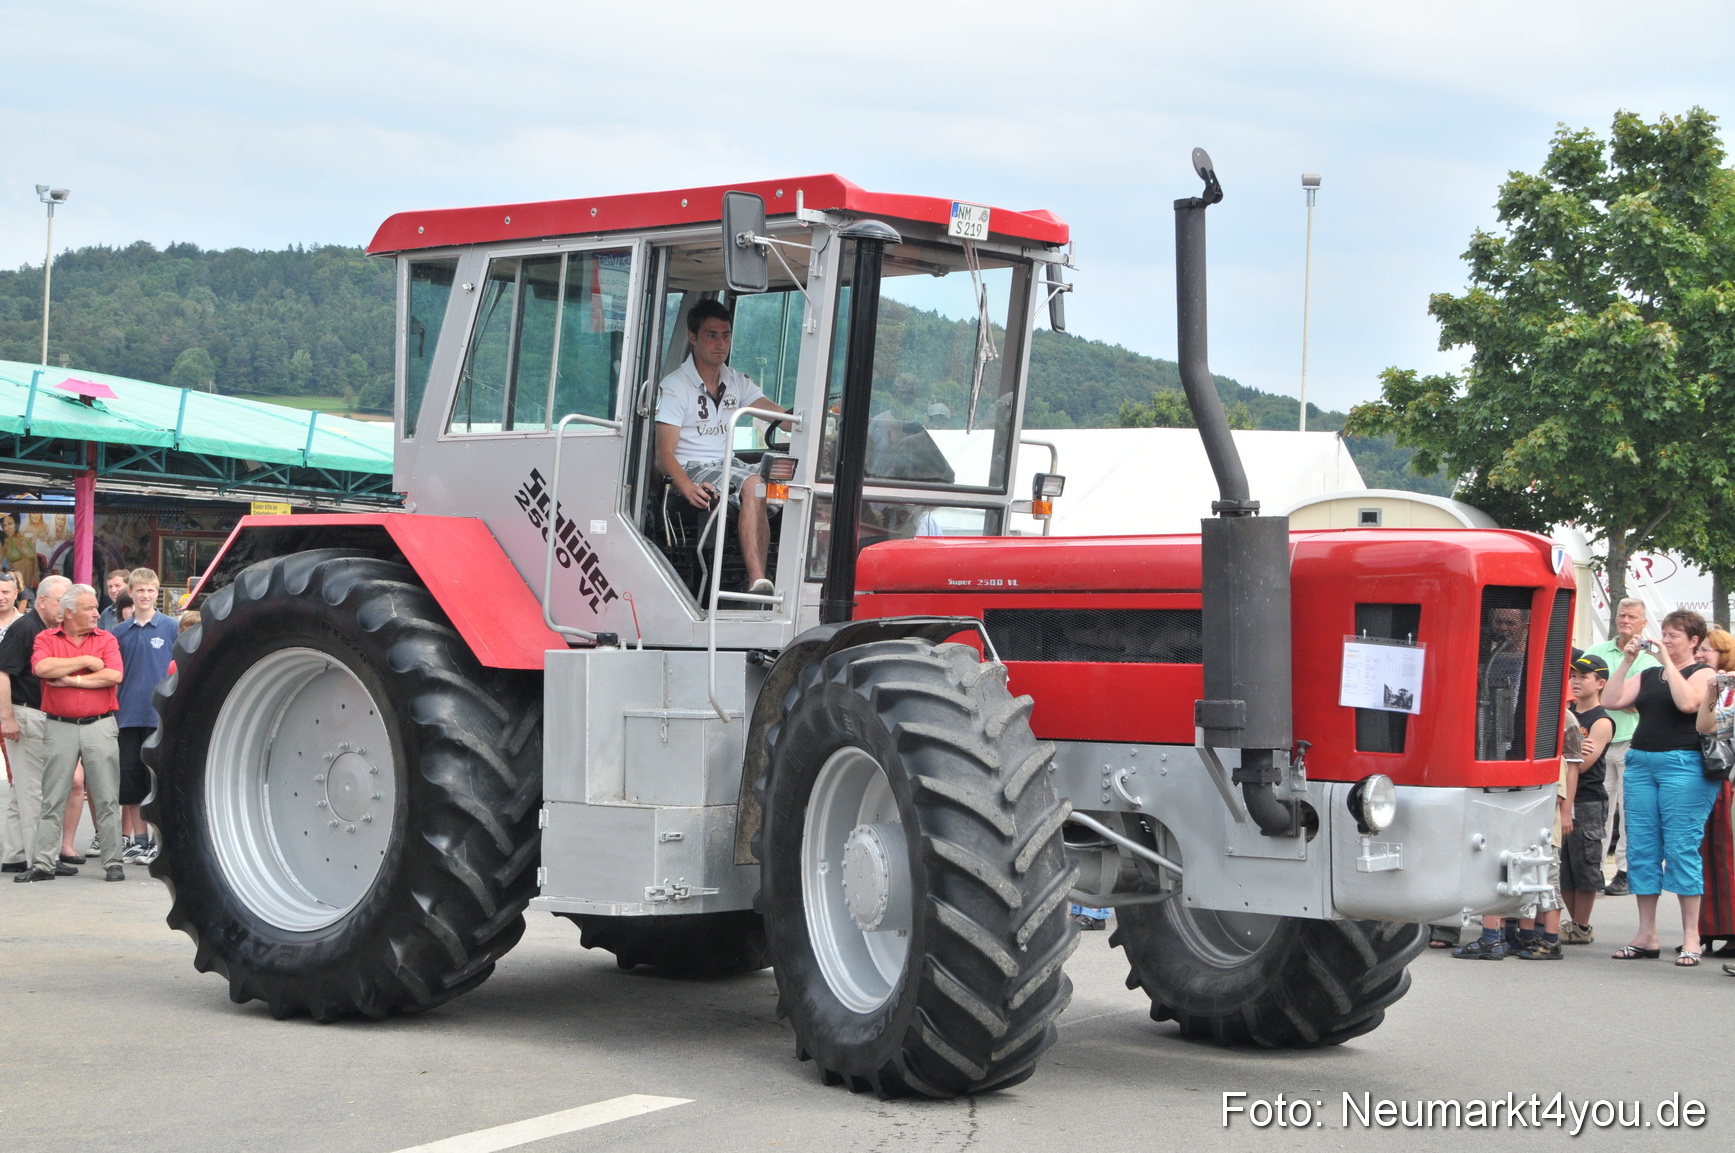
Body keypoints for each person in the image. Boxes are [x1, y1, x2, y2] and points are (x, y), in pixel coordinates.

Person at [1601, 609, 1720, 965]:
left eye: (1674, 636)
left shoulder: (1704, 673)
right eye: (1664, 634)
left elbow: (1688, 703)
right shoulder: (1649, 673)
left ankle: (1690, 937)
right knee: (1641, 846)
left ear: (1693, 641)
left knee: (1681, 847)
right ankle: (1646, 933)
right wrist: (1627, 661)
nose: (1665, 640)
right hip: (1641, 762)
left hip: (1683, 765)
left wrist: (1666, 659)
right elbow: (1610, 701)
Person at [654, 300, 792, 595]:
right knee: (754, 483)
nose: (720, 344)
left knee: (788, 474)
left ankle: (799, 575)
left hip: (727, 465)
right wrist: (689, 488)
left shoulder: (735, 381)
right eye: (711, 335)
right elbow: (664, 456)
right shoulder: (676, 386)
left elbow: (778, 416)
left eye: (726, 335)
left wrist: (819, 420)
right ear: (692, 337)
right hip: (693, 469)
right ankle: (758, 583)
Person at [15, 583, 125, 883]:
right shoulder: (46, 637)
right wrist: (88, 664)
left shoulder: (106, 638)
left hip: (100, 724)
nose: (96, 613)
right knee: (52, 796)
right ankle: (43, 863)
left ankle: (113, 862)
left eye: (94, 608)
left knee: (106, 796)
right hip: (59, 725)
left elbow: (114, 675)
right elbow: (42, 668)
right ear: (67, 613)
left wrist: (73, 681)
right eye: (89, 608)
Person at [1583, 598, 1658, 895]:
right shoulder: (1596, 652)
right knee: (1599, 808)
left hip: (1633, 742)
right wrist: (1618, 698)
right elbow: (1584, 688)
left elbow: (1645, 700)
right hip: (1599, 742)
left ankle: (1625, 872)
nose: (1625, 620)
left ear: (1643, 623)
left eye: (1632, 616)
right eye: (1621, 615)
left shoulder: (1649, 660)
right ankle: (1595, 870)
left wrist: (1618, 698)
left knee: (1629, 813)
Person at [0, 575, 70, 874]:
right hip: (25, 712)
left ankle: (15, 854)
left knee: (22, 791)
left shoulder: (47, 628)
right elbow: (3, 674)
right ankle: (41, 859)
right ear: (42, 601)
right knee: (33, 790)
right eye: (60, 602)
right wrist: (7, 718)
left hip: (37, 713)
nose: (64, 608)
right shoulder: (25, 628)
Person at [113, 568, 174, 864]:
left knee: (158, 780)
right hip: (126, 715)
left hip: (159, 715)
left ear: (157, 592)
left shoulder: (170, 627)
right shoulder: (119, 632)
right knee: (131, 778)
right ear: (131, 593)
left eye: (151, 590)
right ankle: (138, 840)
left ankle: (157, 841)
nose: (146, 595)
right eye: (140, 590)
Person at [1557, 654, 1616, 946]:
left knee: (1585, 863)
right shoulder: (1565, 712)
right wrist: (1573, 747)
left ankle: (1582, 925)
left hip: (1588, 800)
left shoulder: (1601, 721)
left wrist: (1571, 750)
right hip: (1560, 796)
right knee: (1563, 866)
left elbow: (1581, 764)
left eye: (1583, 676)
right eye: (1573, 676)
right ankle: (1574, 921)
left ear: (1600, 683)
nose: (1576, 681)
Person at [1693, 626, 1735, 957]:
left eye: (1708, 649)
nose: (1701, 653)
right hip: (1703, 774)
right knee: (1702, 853)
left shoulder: (1732, 690)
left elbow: (1714, 728)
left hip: (1726, 778)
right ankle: (1705, 929)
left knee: (1725, 856)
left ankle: (1729, 930)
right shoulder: (1703, 683)